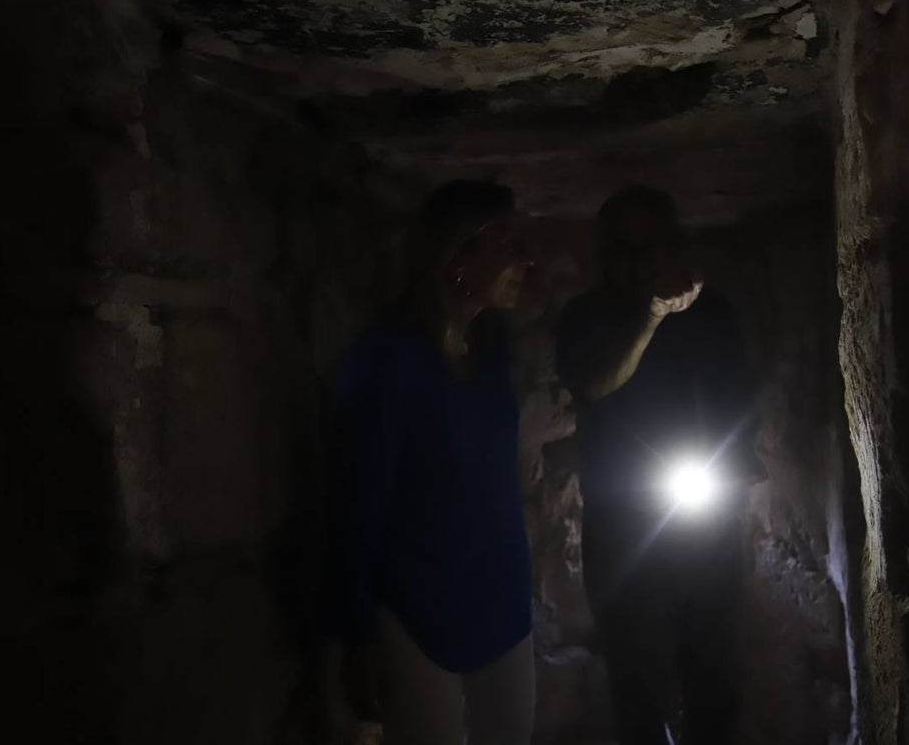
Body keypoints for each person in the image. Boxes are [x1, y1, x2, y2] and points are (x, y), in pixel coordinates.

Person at [321, 180, 536, 745]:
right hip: (419, 602)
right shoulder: (386, 361)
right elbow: (356, 496)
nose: (524, 260)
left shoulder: (489, 350)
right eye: (506, 244)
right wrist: (356, 627)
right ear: (457, 255)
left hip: (501, 597)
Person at [555, 186, 764, 745]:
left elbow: (737, 397)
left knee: (716, 684)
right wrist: (649, 316)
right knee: (640, 690)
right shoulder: (585, 317)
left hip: (706, 524)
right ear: (609, 256)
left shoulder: (712, 311)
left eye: (657, 246)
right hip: (625, 532)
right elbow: (596, 382)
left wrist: (738, 471)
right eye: (631, 249)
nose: (647, 261)